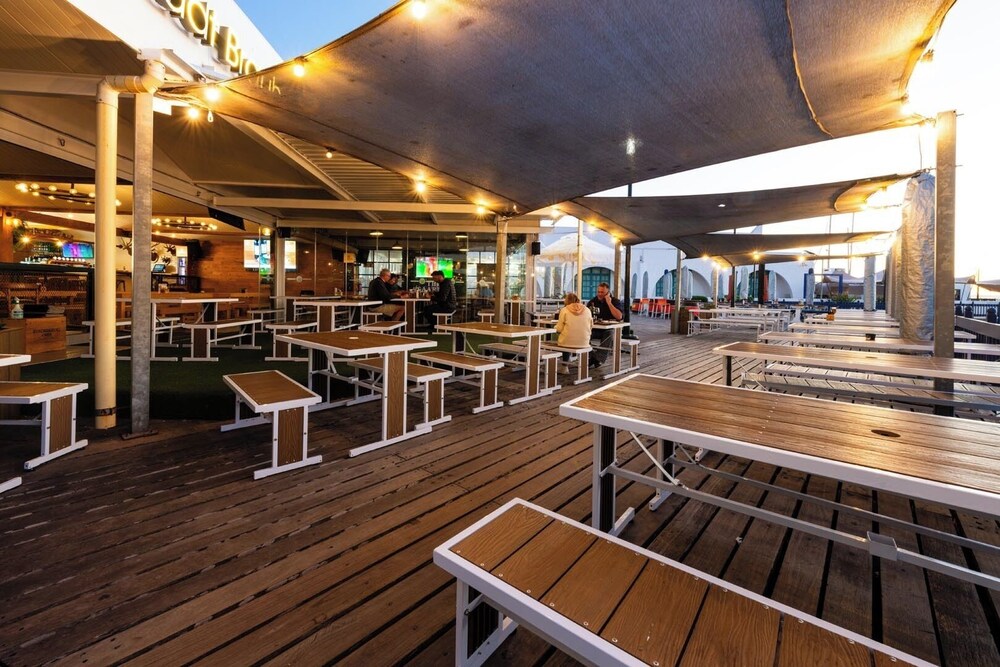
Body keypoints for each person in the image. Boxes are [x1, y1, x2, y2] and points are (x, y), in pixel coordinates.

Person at [586, 282, 623, 367]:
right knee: (583, 334)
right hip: (595, 329)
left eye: (602, 292)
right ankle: (594, 357)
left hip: (608, 329)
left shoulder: (615, 301)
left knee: (610, 334)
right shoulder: (593, 301)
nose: (599, 294)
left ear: (608, 293)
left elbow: (619, 317)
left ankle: (597, 359)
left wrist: (609, 303)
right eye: (598, 292)